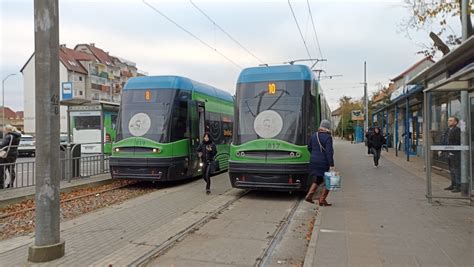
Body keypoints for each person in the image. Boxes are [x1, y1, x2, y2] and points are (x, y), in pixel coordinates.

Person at [305, 120, 335, 206]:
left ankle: (309, 196)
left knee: (319, 179)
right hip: (323, 162)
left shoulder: (314, 135)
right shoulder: (328, 137)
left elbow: (309, 147)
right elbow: (329, 152)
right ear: (328, 128)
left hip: (314, 161)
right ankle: (322, 200)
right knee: (330, 181)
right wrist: (331, 164)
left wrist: (314, 155)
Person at [439, 116, 461, 193]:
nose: (449, 122)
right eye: (448, 120)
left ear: (455, 122)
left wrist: (453, 151)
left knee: (456, 169)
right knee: (451, 169)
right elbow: (444, 140)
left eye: (451, 120)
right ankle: (453, 184)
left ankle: (459, 185)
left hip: (455, 153)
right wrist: (442, 150)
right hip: (447, 152)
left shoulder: (457, 130)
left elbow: (458, 141)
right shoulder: (447, 130)